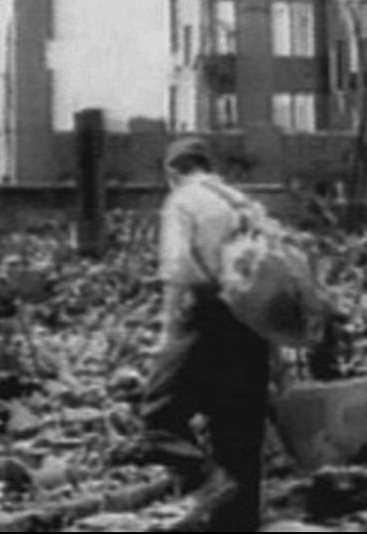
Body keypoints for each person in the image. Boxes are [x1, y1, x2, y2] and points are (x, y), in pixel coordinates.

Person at [112, 136, 271, 531]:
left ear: (173, 171)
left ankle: (206, 479)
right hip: (252, 323)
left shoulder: (183, 200)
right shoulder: (242, 202)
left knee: (159, 415)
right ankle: (237, 522)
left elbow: (179, 270)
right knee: (238, 432)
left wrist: (168, 335)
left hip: (206, 315)